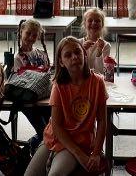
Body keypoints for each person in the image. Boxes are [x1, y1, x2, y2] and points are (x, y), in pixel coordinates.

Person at [25, 37, 109, 176]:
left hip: (79, 141)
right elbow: (56, 126)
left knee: (55, 174)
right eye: (68, 55)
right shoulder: (59, 85)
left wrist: (96, 153)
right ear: (61, 62)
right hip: (54, 137)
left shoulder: (97, 82)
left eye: (77, 52)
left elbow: (102, 121)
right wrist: (79, 156)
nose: (74, 57)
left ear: (84, 54)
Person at [13, 19, 53, 138]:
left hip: (44, 97)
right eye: (28, 33)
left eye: (34, 35)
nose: (31, 37)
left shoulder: (40, 53)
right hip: (29, 101)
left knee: (52, 128)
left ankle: (36, 143)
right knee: (44, 132)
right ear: (21, 32)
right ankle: (33, 144)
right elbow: (20, 81)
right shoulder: (18, 58)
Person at [79, 8, 111, 75]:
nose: (93, 23)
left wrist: (99, 52)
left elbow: (101, 72)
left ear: (102, 25)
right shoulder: (79, 43)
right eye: (90, 20)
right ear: (85, 24)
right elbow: (77, 69)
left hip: (97, 79)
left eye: (97, 21)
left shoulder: (106, 46)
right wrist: (82, 51)